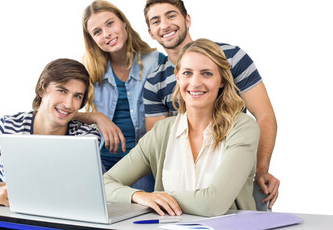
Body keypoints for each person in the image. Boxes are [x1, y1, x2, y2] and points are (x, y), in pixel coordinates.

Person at [142, 0, 279, 208]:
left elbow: (264, 115)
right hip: (185, 186)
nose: (165, 25)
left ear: (187, 20)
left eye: (171, 16)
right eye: (156, 21)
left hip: (230, 174)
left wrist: (261, 169)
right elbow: (159, 144)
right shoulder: (154, 81)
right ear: (150, 33)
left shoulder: (232, 57)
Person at [104, 38, 259, 217]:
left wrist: (160, 197)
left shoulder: (242, 128)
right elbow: (106, 183)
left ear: (222, 80)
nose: (195, 83)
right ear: (177, 77)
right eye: (187, 73)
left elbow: (213, 205)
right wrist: (138, 196)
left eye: (207, 73)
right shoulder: (162, 132)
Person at [0, 58, 100, 207]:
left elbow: (63, 195)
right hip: (8, 221)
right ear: (41, 90)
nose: (68, 104)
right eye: (61, 91)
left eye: (77, 96)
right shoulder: (7, 127)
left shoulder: (86, 137)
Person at [74, 0, 164, 192]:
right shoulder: (89, 70)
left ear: (123, 22)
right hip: (100, 157)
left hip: (140, 161)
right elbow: (59, 112)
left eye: (110, 23)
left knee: (138, 212)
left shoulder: (157, 62)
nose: (106, 34)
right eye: (97, 32)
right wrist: (97, 117)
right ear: (91, 39)